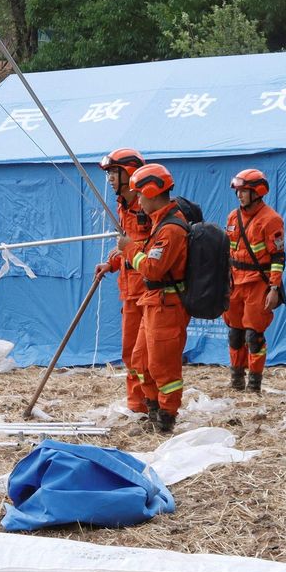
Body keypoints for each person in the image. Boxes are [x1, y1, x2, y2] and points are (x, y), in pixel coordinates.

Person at [92, 149, 156, 418]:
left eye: (113, 173)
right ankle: (137, 405)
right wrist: (112, 263)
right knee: (130, 353)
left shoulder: (149, 206)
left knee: (147, 354)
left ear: (129, 173)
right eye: (107, 173)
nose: (109, 179)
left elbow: (154, 248)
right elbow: (125, 245)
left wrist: (129, 252)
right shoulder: (122, 206)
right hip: (129, 290)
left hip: (151, 290)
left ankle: (158, 407)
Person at [128, 163, 190, 435]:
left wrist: (127, 249)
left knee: (163, 366)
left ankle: (166, 418)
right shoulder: (159, 223)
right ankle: (153, 409)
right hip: (153, 303)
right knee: (140, 361)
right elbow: (145, 253)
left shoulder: (171, 230)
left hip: (167, 306)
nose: (138, 200)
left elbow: (153, 268)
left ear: (152, 191)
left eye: (140, 194)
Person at [224, 168, 285, 392]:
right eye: (238, 191)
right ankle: (236, 380)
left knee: (254, 335)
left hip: (257, 284)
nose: (239, 195)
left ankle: (254, 384)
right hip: (235, 283)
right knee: (235, 333)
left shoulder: (271, 220)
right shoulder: (233, 216)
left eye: (244, 191)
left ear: (257, 192)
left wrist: (274, 288)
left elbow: (278, 257)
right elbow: (228, 251)